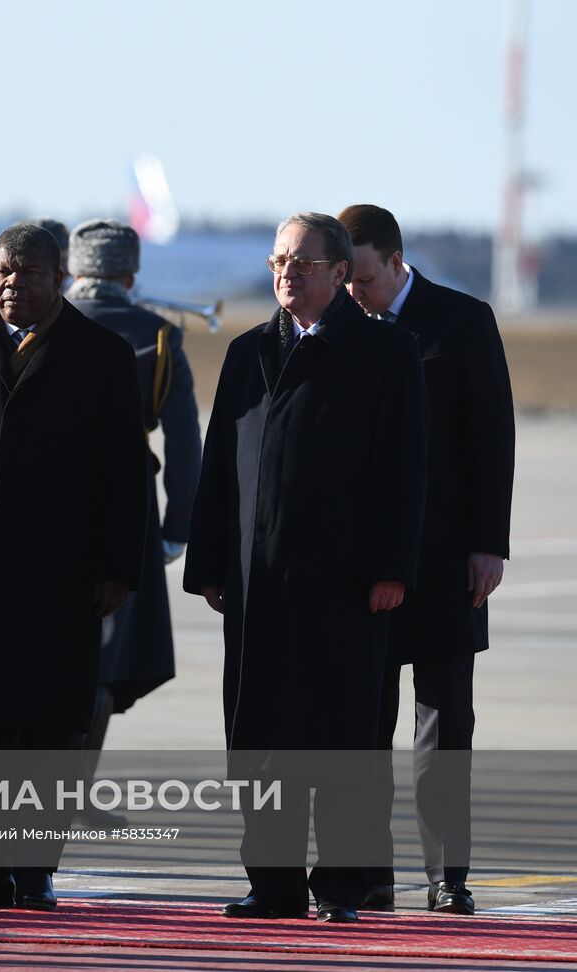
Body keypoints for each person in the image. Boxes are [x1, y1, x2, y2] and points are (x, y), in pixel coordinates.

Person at [183, 212, 428, 923]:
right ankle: (274, 884)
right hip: (258, 591)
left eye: (304, 262)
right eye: (279, 260)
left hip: (344, 587)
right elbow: (219, 473)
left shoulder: (386, 353)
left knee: (342, 741)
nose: (287, 272)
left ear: (340, 273)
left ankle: (343, 887)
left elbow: (403, 472)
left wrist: (391, 567)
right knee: (260, 741)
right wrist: (210, 565)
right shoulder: (247, 353)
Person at [0, 223, 148, 911]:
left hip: (60, 572)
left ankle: (35, 868)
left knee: (46, 726)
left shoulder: (102, 356)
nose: (14, 284)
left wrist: (116, 568)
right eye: (4, 271)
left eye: (30, 273)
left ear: (59, 278)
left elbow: (124, 474)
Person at [339, 204, 515, 917]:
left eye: (366, 278)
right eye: (344, 279)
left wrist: (488, 544)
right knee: (360, 725)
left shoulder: (462, 320)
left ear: (396, 260)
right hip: (360, 562)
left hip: (445, 559)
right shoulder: (336, 328)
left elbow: (492, 438)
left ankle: (448, 878)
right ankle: (367, 875)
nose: (354, 292)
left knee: (445, 724)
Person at [65, 220, 200, 755]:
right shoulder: (159, 334)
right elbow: (185, 437)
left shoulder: (37, 322)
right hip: (129, 502)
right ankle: (73, 794)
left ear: (74, 269)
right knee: (111, 653)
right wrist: (179, 524)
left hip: (42, 504)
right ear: (131, 271)